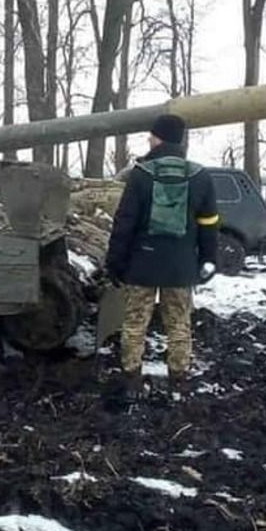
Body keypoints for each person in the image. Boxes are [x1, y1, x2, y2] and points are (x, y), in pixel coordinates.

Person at [104, 114, 218, 386]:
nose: (148, 139)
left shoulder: (140, 175)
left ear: (159, 138)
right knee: (179, 325)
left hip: (142, 266)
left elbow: (124, 224)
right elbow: (209, 223)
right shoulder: (201, 176)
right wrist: (208, 260)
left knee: (134, 326)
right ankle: (178, 382)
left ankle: (131, 380)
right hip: (181, 267)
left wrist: (115, 263)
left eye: (151, 135)